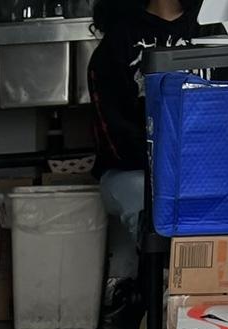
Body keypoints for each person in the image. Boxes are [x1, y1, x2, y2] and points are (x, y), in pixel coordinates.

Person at [89, 0, 215, 300]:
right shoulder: (117, 44)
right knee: (152, 212)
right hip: (133, 172)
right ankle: (159, 320)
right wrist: (169, 166)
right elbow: (113, 136)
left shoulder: (215, 28)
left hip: (205, 168)